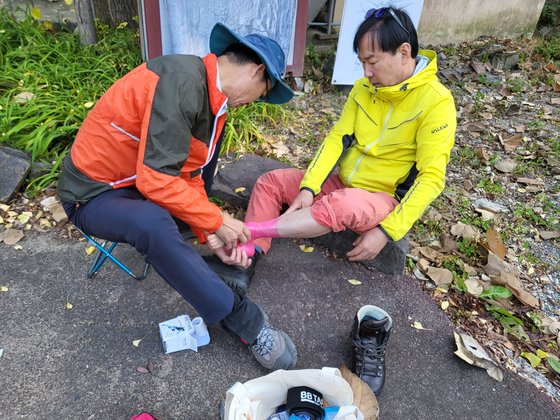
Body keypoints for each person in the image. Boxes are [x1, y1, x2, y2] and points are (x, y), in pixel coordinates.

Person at [56, 23, 297, 371]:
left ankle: (201, 271)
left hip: (131, 182)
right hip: (92, 193)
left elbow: (189, 174)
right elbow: (156, 180)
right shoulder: (181, 80)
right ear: (257, 70)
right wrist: (219, 220)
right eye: (261, 93)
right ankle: (245, 321)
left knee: (194, 203)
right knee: (154, 223)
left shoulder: (212, 97)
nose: (253, 102)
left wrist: (208, 232)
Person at [206, 6, 457, 313]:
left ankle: (256, 230)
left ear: (403, 53)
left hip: (383, 198)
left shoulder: (436, 102)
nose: (365, 72)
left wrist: (387, 231)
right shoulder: (365, 90)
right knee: (272, 181)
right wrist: (309, 188)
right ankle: (246, 259)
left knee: (341, 204)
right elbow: (337, 138)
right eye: (362, 62)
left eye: (372, 61)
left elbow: (432, 178)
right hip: (342, 184)